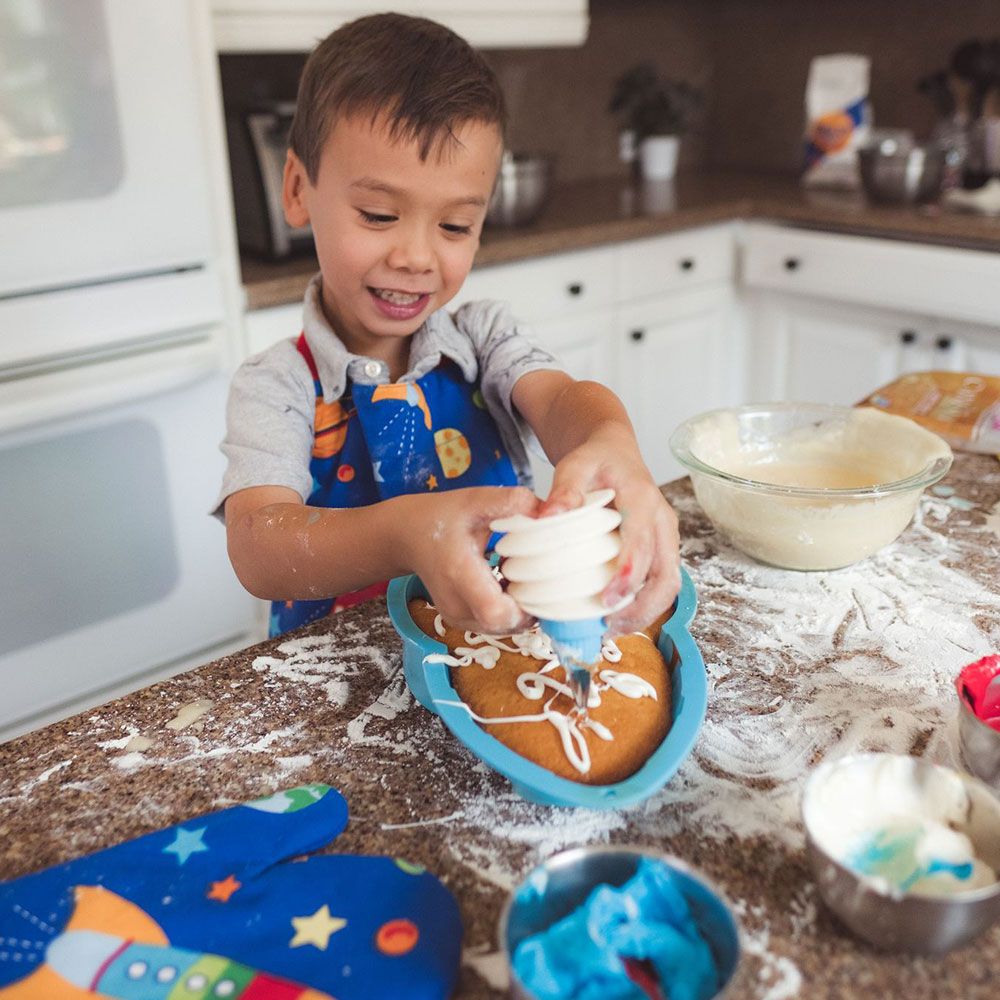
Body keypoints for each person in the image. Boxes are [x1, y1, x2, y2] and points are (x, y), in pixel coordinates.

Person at [216, 12, 679, 639]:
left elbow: (564, 400)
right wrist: (408, 532)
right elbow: (260, 548)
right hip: (337, 683)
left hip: (491, 654)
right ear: (297, 189)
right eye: (378, 215)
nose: (416, 256)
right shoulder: (278, 385)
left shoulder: (484, 338)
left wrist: (612, 442)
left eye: (455, 226)